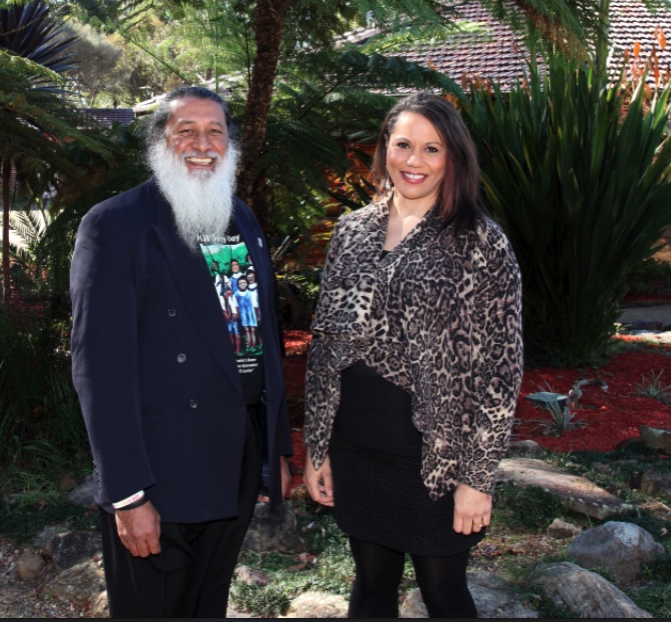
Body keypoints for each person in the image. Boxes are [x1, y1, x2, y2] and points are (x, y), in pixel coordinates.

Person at [70, 85, 293, 618]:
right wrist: (127, 494)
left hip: (234, 451)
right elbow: (99, 372)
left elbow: (262, 340)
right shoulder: (114, 225)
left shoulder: (241, 219)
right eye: (186, 131)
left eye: (215, 131)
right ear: (159, 143)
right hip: (159, 466)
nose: (203, 143)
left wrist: (275, 450)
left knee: (207, 605)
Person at [303, 93, 523, 618]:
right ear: (386, 149)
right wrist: (317, 447)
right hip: (355, 444)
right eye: (403, 145)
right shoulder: (352, 230)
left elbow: (501, 370)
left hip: (435, 456)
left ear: (453, 159)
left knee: (444, 593)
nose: (414, 161)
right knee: (372, 582)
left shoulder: (481, 242)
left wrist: (477, 477)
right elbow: (323, 346)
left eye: (432, 149)